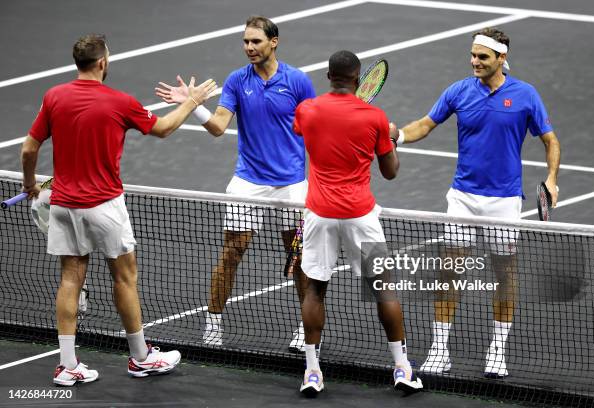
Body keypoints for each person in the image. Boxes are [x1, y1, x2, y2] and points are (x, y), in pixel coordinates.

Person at [21, 34, 218, 386]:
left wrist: (29, 185)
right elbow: (163, 128)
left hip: (64, 205)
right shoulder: (119, 102)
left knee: (70, 279)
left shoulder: (54, 97)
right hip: (104, 206)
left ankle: (68, 365)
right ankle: (141, 357)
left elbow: (28, 149)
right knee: (124, 277)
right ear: (102, 63)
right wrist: (192, 102)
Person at [390, 27, 561, 378]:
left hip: (504, 202)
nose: (474, 62)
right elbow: (426, 123)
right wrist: (399, 137)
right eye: (472, 55)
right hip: (463, 198)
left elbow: (550, 140)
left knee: (504, 276)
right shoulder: (458, 91)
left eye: (482, 57)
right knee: (448, 272)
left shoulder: (525, 96)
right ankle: (440, 350)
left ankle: (497, 350)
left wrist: (552, 179)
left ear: (501, 58)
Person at [155, 16, 316, 350]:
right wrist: (194, 105)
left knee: (298, 258)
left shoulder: (298, 81)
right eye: (245, 42)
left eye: (255, 41)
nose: (249, 47)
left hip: (292, 186)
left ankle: (305, 328)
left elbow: (313, 128)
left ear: (274, 42)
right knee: (231, 253)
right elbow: (217, 127)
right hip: (248, 182)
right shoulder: (236, 81)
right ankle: (213, 324)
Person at [292, 50, 423, 397]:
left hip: (319, 213)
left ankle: (312, 373)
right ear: (360, 78)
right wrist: (392, 138)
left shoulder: (307, 110)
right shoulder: (375, 117)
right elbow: (390, 172)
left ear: (327, 74)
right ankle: (402, 368)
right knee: (383, 289)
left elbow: (306, 134)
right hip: (360, 215)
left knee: (314, 289)